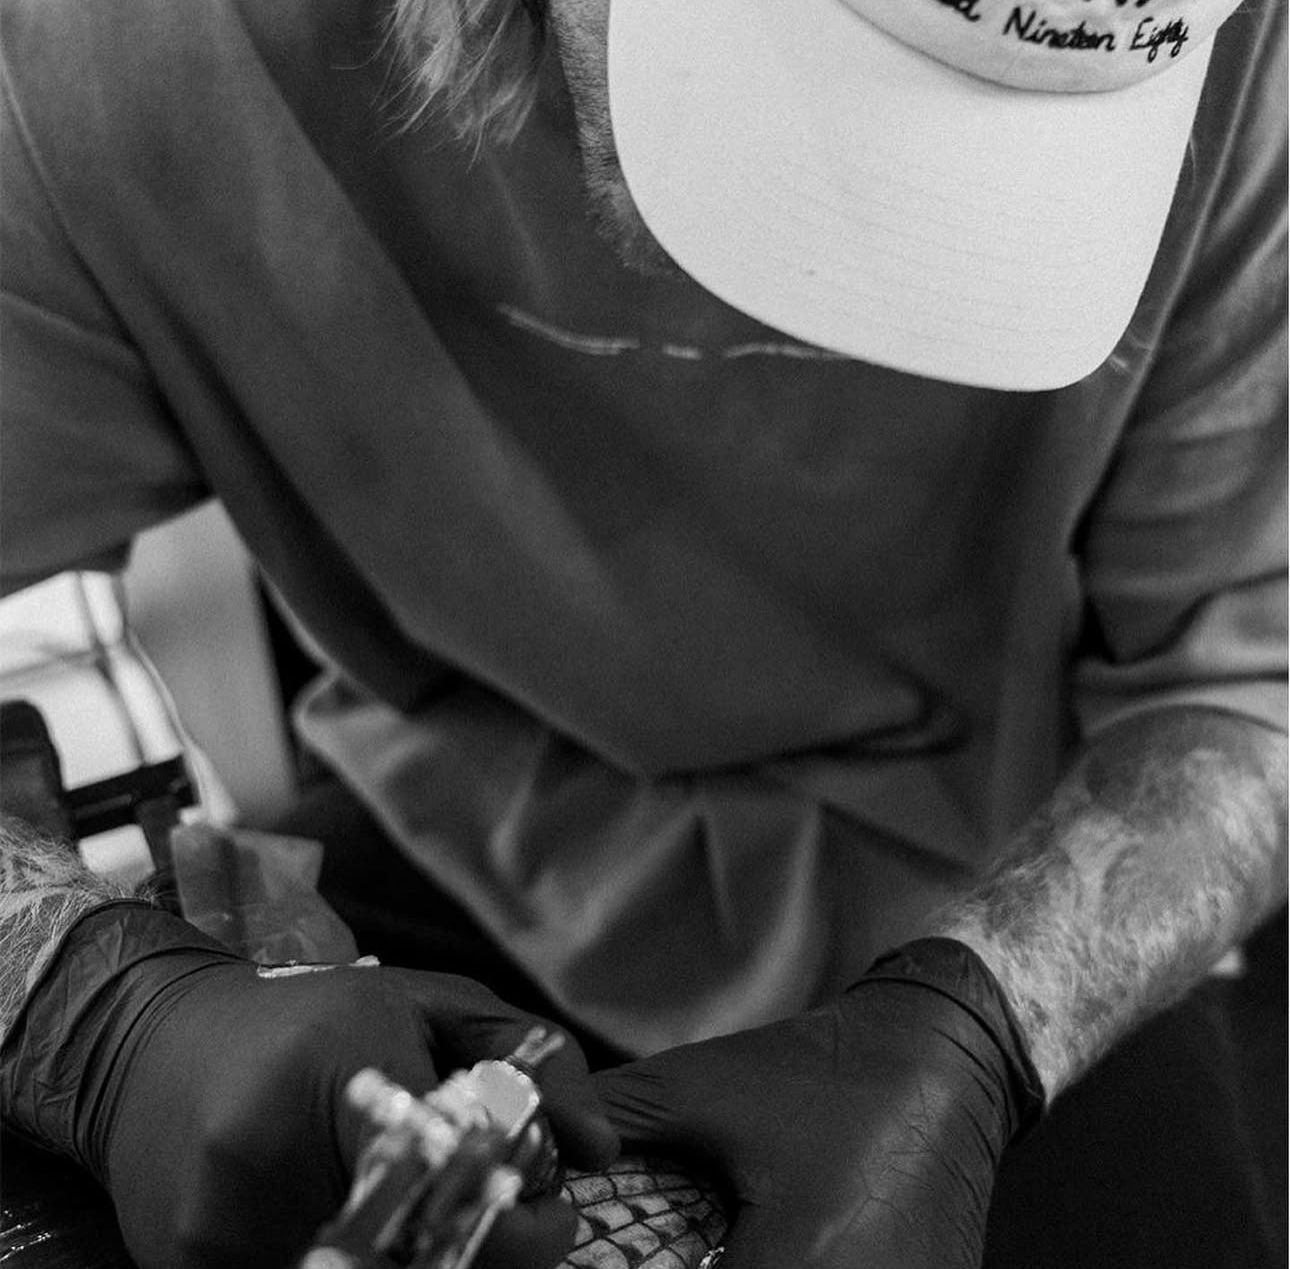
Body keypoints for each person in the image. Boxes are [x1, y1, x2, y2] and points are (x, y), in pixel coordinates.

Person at [1, 0, 1285, 1265]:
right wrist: (89, 1008)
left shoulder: (1251, 68)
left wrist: (986, 1028)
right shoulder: (139, 51)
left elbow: (1256, 673)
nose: (872, 268)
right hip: (472, 828)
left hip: (1019, 861)